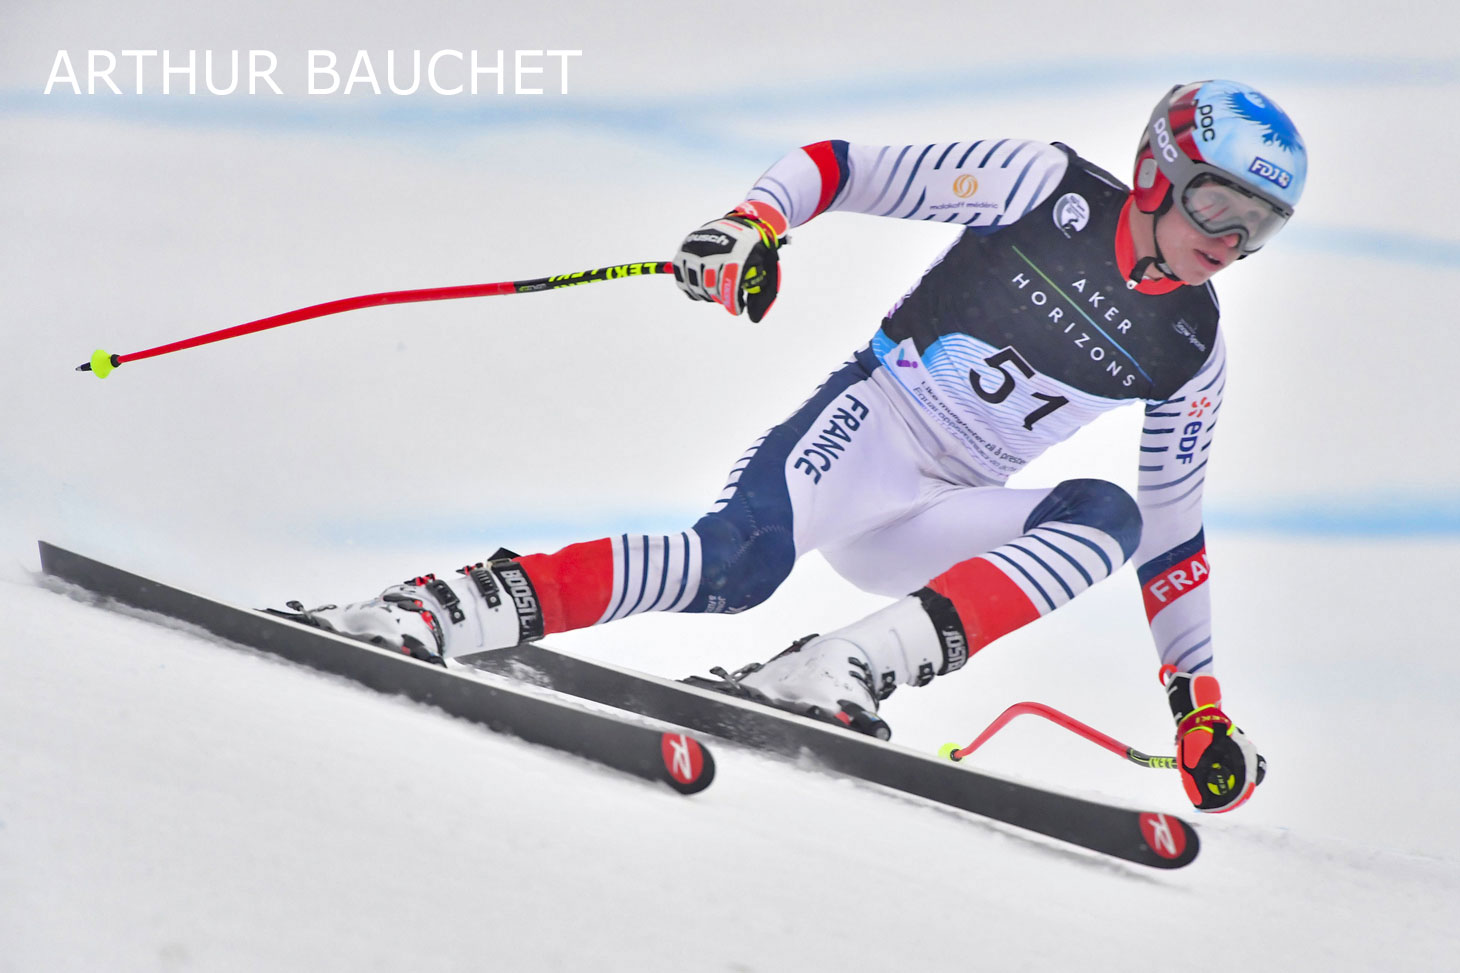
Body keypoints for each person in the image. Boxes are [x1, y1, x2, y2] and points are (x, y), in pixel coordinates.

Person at [288, 80, 1306, 814]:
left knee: (1111, 520)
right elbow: (840, 168)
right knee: (734, 565)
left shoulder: (1191, 348)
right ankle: (430, 606)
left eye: (1257, 224)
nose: (1229, 237)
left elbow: (1173, 537)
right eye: (1217, 202)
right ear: (1153, 172)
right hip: (869, 430)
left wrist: (1196, 704)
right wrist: (751, 224)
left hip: (939, 512)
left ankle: (836, 670)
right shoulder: (1042, 185)